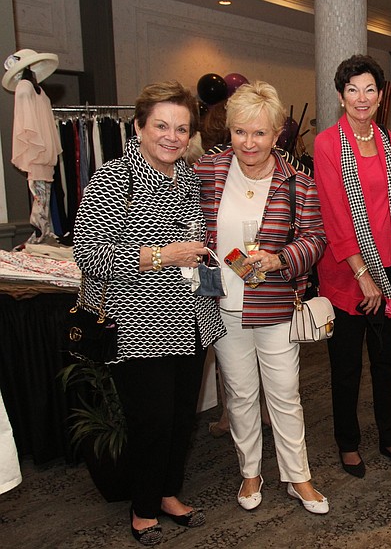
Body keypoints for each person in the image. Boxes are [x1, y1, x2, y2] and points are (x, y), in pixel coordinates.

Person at [73, 80, 226, 546]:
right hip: (139, 326)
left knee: (182, 417)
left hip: (192, 319)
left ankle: (168, 493)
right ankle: (143, 508)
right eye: (161, 125)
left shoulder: (189, 179)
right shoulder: (113, 179)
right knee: (152, 421)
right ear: (138, 127)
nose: (171, 136)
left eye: (181, 128)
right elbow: (88, 253)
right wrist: (161, 255)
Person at [193, 81, 329, 515]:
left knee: (285, 394)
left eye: (259, 133)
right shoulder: (207, 172)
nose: (248, 143)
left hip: (273, 304)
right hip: (221, 305)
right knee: (240, 395)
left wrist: (280, 258)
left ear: (276, 135)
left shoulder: (297, 183)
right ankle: (250, 472)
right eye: (240, 132)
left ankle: (298, 476)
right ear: (229, 131)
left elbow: (316, 239)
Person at [313, 55, 391, 478]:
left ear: (379, 96)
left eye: (369, 89)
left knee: (386, 360)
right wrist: (362, 275)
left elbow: (390, 202)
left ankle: (390, 437)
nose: (362, 97)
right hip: (347, 272)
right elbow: (335, 215)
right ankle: (348, 442)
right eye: (353, 90)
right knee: (346, 365)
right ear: (341, 97)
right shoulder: (327, 143)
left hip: (388, 264)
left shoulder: (388, 140)